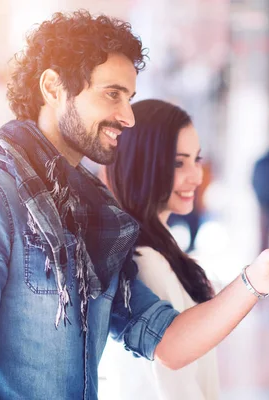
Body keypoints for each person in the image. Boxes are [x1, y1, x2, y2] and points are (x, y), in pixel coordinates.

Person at [0, 10, 269, 400]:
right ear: (52, 87)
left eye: (130, 96)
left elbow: (168, 342)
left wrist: (254, 282)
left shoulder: (92, 217)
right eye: (112, 94)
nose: (128, 116)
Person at [103, 99, 218, 399]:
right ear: (144, 164)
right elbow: (173, 383)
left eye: (197, 159)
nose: (196, 176)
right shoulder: (146, 259)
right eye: (179, 163)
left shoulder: (157, 246)